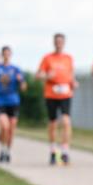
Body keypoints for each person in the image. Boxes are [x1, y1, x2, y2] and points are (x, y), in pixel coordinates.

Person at [37, 33, 77, 166]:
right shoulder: (47, 58)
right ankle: (53, 150)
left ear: (64, 43)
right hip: (51, 94)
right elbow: (39, 75)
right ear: (54, 43)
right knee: (53, 123)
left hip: (65, 94)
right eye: (57, 41)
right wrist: (47, 75)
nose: (59, 43)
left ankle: (65, 151)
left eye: (61, 41)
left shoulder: (68, 58)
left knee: (66, 121)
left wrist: (73, 83)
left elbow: (71, 75)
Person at [0, 46, 26, 164]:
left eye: (8, 54)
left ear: (11, 55)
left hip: (13, 101)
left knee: (11, 129)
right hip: (0, 101)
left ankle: (7, 151)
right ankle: (3, 150)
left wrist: (21, 81)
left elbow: (24, 87)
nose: (6, 55)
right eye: (4, 53)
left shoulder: (16, 69)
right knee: (5, 126)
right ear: (2, 55)